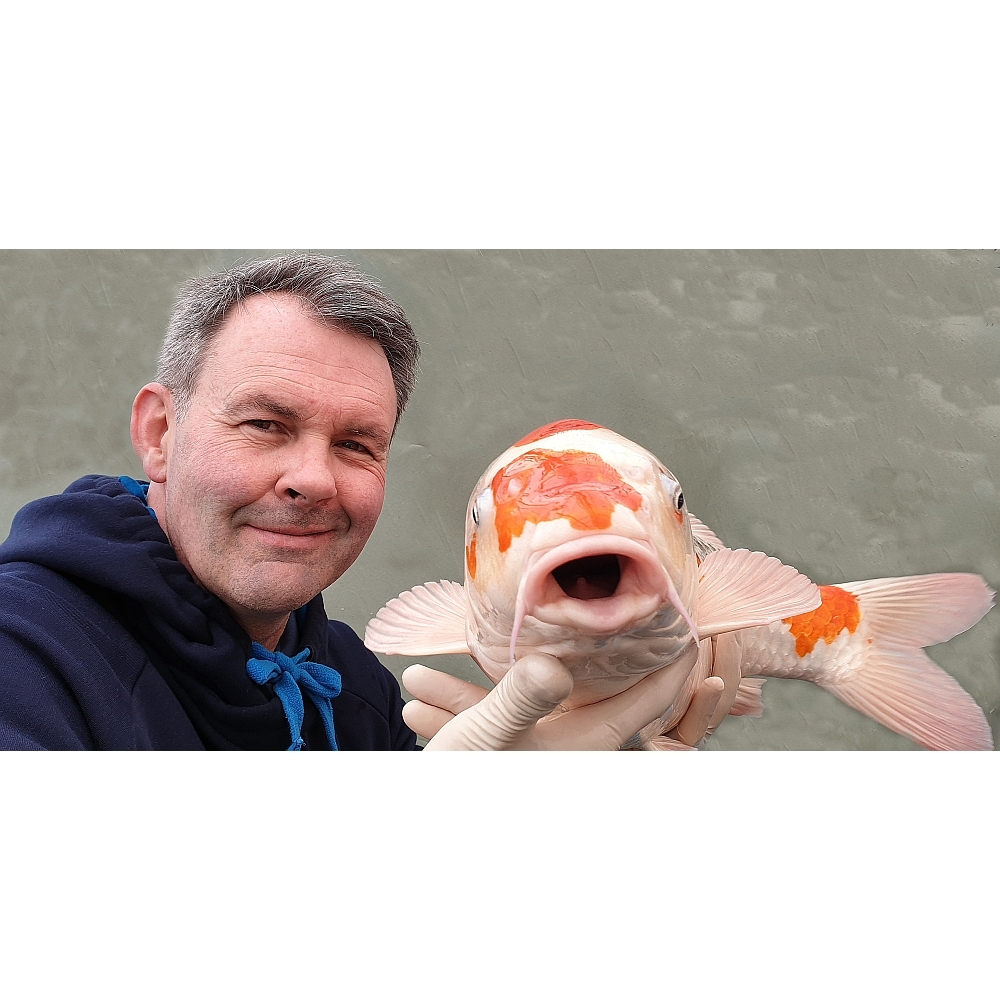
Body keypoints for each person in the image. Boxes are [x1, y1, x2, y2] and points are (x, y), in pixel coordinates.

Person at [0, 254, 722, 750]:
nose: (313, 479)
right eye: (265, 425)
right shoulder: (22, 652)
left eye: (356, 444)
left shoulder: (355, 686)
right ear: (160, 433)